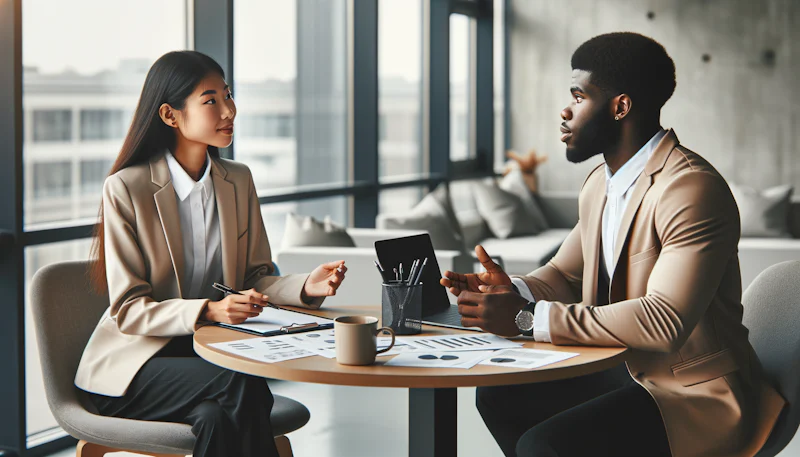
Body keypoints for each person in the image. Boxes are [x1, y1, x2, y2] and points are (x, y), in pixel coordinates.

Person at [441, 32, 785, 457]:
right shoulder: (600, 184)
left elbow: (663, 320)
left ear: (620, 107)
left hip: (694, 393)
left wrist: (528, 318)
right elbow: (565, 273)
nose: (565, 111)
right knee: (497, 396)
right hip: (626, 369)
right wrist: (512, 290)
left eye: (579, 97)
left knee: (544, 445)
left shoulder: (690, 188)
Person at [75, 50, 347, 457]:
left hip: (206, 359)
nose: (229, 110)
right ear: (170, 116)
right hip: (133, 369)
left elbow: (255, 276)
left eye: (228, 95)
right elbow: (130, 310)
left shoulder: (237, 180)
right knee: (242, 383)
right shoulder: (126, 189)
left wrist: (306, 285)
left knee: (214, 419)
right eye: (211, 100)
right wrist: (211, 310)